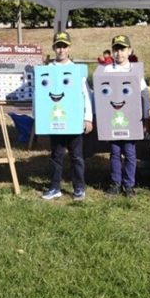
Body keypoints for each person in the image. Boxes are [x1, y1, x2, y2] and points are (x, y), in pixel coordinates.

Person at [41, 31, 93, 201]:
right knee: (56, 156)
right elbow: (41, 95)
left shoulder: (77, 70)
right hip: (55, 121)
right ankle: (55, 187)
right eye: (58, 46)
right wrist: (40, 118)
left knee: (76, 156)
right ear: (54, 48)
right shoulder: (47, 70)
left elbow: (86, 95)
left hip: (74, 121)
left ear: (69, 48)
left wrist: (88, 118)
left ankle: (79, 187)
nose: (61, 50)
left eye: (64, 46)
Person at [101, 35, 147, 197]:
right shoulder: (106, 70)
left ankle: (129, 185)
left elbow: (144, 94)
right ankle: (115, 183)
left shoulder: (135, 70)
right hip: (113, 120)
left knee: (129, 152)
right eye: (116, 49)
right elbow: (101, 96)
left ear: (129, 51)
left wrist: (145, 117)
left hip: (131, 120)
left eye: (122, 49)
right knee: (114, 152)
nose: (119, 53)